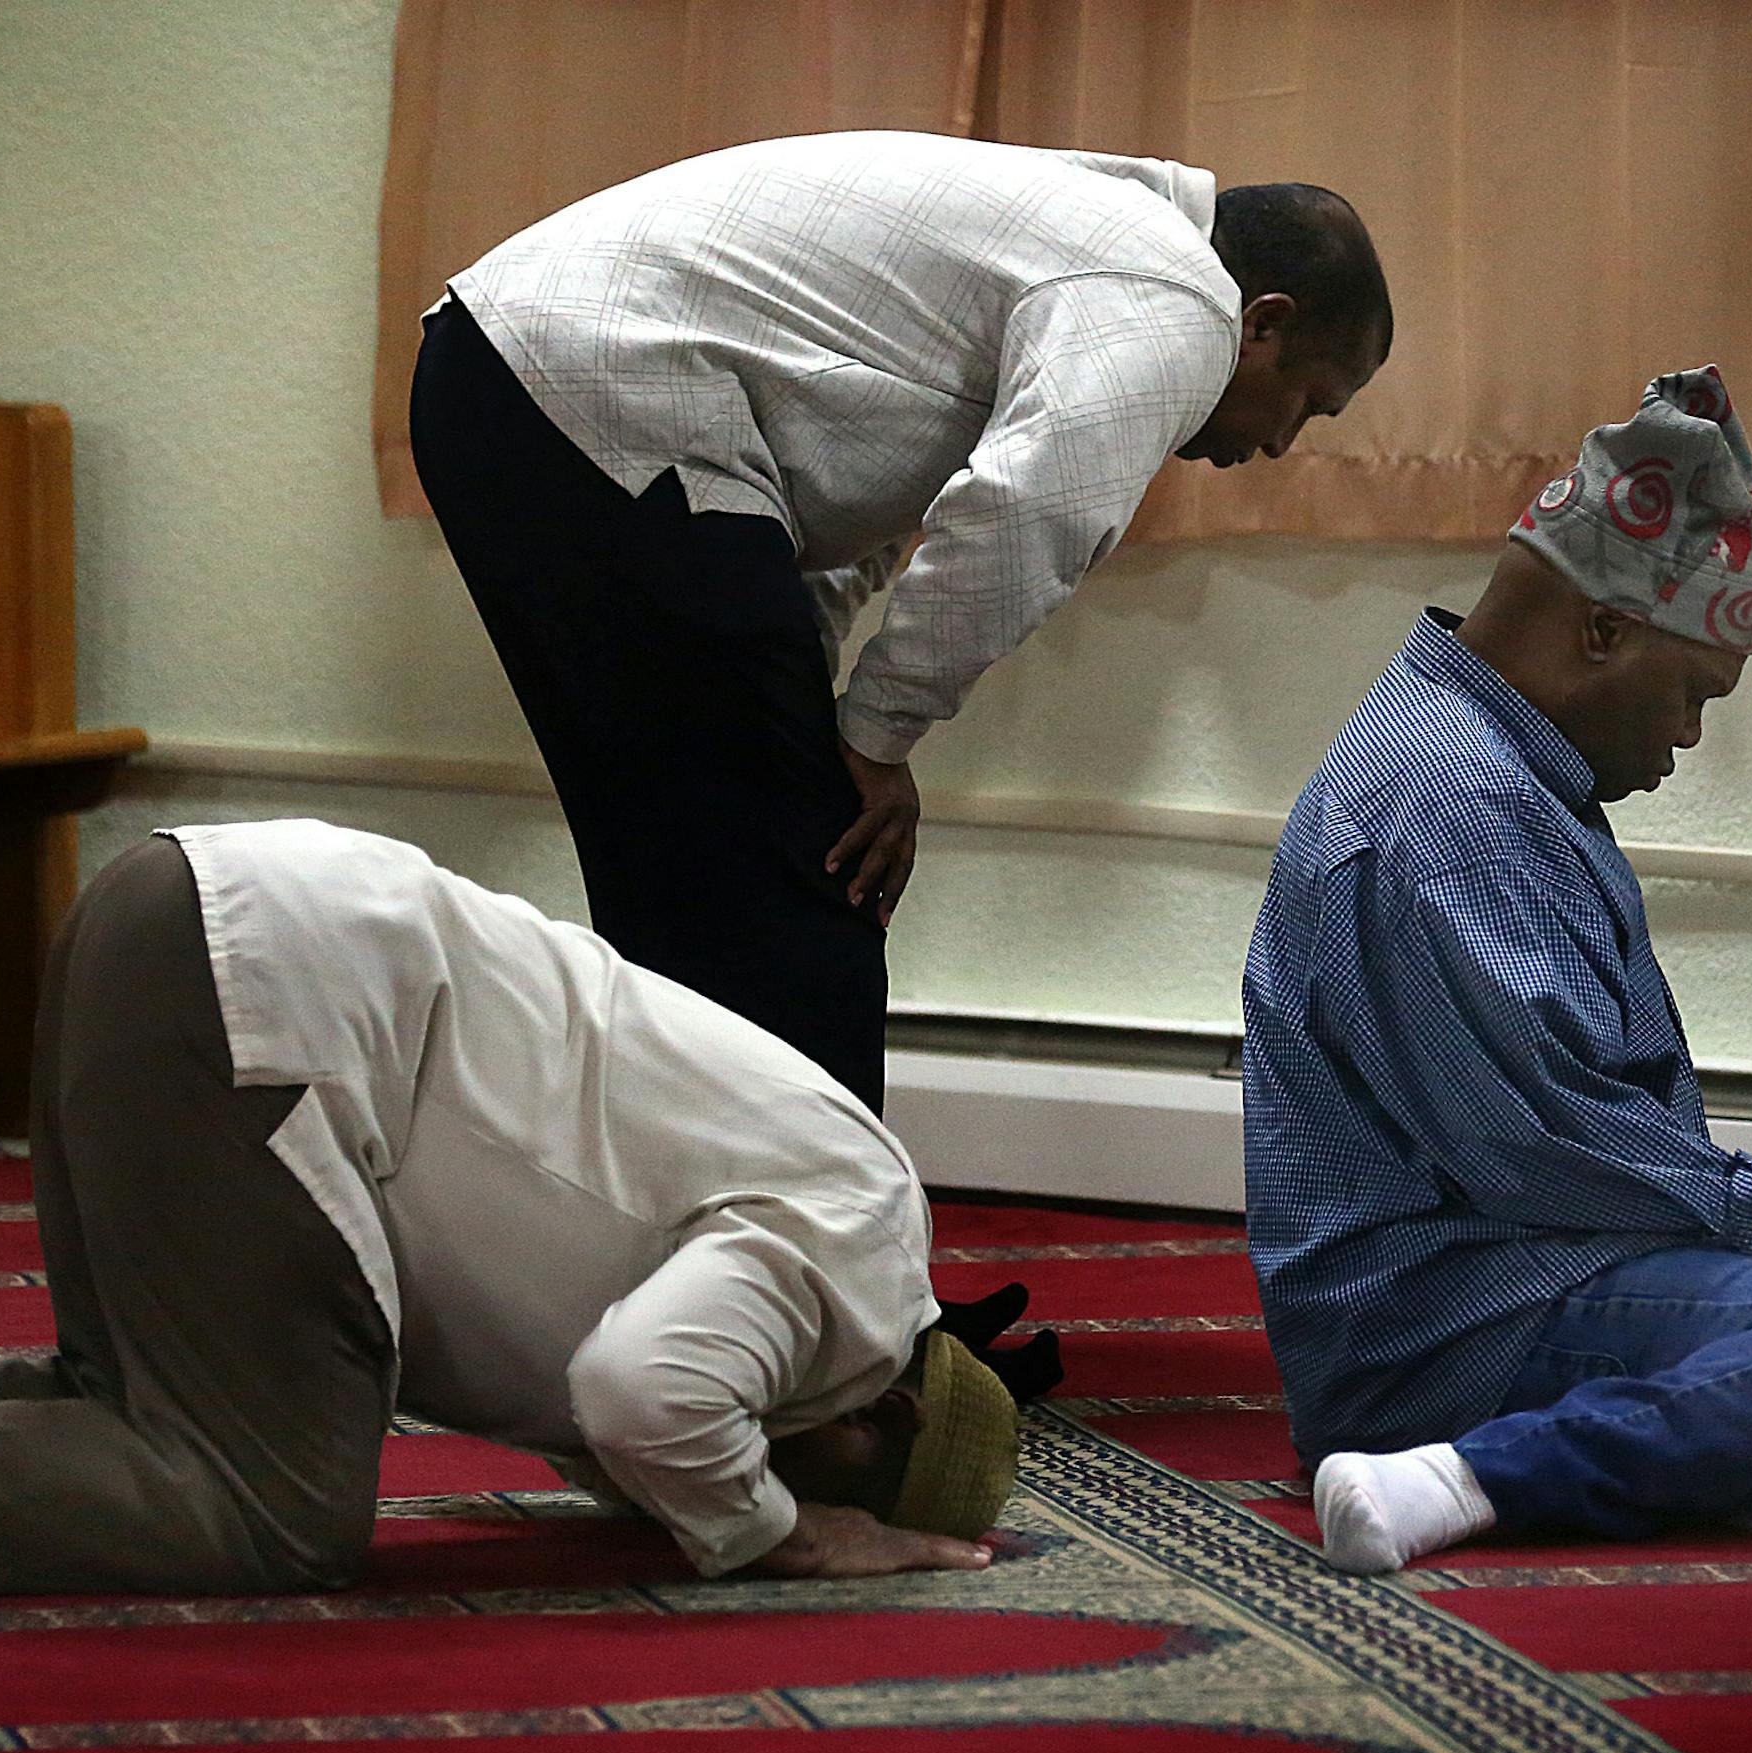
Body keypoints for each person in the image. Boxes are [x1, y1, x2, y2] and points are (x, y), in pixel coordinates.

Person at [1241, 369, 1752, 1573]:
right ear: (1605, 630)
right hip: (1453, 1322)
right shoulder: (1437, 800)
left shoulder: (1501, 766)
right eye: (1691, 694)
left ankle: (1738, 1467)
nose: (1685, 736)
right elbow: (1538, 1144)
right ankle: (1468, 1479)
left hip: (1566, 1264)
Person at [410, 128, 1393, 1116]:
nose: (1278, 443)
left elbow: (842, 520)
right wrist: (877, 732)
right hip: (597, 389)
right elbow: (1032, 511)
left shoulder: (1095, 239)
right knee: (804, 873)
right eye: (1307, 405)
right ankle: (822, 1253)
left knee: (692, 876)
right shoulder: (1177, 293)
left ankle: (722, 1233)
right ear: (1262, 321)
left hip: (521, 377)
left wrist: (836, 713)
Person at [0, 822, 1019, 1597]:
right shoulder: (866, 1268)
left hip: (183, 918)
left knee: (134, 1406)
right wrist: (786, 1534)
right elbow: (643, 1390)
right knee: (267, 1512)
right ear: (881, 1414)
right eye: (818, 1473)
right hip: (270, 995)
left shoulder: (834, 1194)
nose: (760, 1454)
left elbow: (605, 1395)